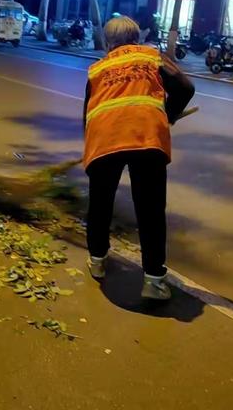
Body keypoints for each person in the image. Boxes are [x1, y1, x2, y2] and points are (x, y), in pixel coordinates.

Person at [83, 16, 195, 300]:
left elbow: (89, 113)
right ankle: (154, 281)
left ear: (108, 43)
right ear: (137, 37)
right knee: (150, 208)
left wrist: (95, 146)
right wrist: (168, 116)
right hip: (147, 137)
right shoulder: (152, 57)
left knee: (100, 201)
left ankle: (97, 262)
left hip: (105, 137)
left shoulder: (98, 68)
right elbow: (185, 88)